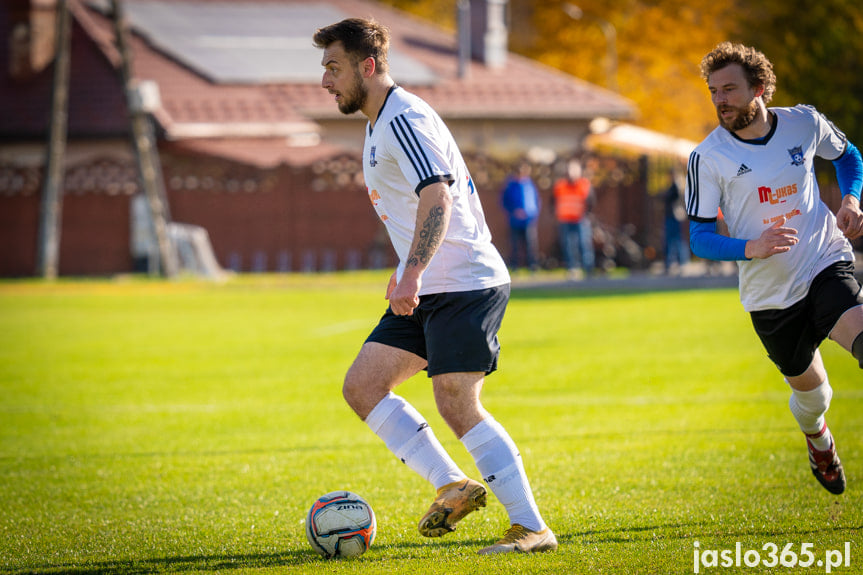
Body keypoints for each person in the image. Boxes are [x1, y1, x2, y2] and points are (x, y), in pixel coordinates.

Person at [313, 18, 557, 554]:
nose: (325, 81)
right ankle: (453, 485)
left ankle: (532, 528)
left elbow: (437, 196)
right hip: (429, 285)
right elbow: (415, 205)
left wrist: (415, 269)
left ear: (367, 66)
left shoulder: (403, 117)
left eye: (333, 67)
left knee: (456, 402)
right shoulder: (379, 124)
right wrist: (407, 264)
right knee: (363, 386)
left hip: (464, 282)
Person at [686, 42, 863, 495]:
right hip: (771, 296)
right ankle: (819, 442)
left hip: (823, 259)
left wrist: (850, 199)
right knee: (814, 398)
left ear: (760, 89)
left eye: (729, 89)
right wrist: (752, 246)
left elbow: (848, 156)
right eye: (713, 91)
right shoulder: (707, 157)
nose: (720, 100)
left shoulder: (803, 122)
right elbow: (700, 238)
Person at [553, 159, 595, 278]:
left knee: (584, 244)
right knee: (568, 246)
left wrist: (587, 214)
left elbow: (591, 202)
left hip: (580, 219)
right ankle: (572, 268)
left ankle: (588, 269)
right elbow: (553, 201)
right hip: (565, 219)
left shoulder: (584, 185)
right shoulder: (560, 186)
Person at [500, 162, 541, 271]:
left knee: (530, 244)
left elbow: (535, 201)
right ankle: (515, 266)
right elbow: (504, 201)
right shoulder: (510, 186)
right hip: (515, 220)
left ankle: (532, 265)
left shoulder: (530, 185)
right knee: (515, 245)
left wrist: (532, 214)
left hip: (528, 220)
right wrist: (513, 212)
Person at [663, 167, 689, 274]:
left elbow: (674, 199)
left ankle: (680, 261)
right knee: (674, 240)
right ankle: (675, 262)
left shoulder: (677, 186)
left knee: (676, 240)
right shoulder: (676, 186)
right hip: (673, 215)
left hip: (674, 216)